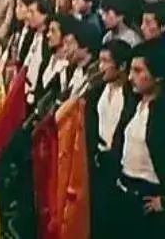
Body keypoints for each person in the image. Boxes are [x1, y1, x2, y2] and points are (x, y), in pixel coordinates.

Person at [112, 40, 165, 238]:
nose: (130, 77)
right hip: (123, 193)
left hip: (148, 199)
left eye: (138, 71)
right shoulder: (133, 104)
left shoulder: (161, 113)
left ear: (157, 75)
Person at [85, 40, 137, 239]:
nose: (101, 67)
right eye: (100, 60)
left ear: (121, 66)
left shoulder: (131, 98)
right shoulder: (97, 91)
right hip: (96, 161)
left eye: (106, 61)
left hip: (115, 165)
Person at [23, 0, 53, 104]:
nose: (27, 16)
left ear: (44, 15)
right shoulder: (31, 35)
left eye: (32, 12)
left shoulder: (48, 42)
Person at [38, 14, 75, 98]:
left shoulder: (69, 66)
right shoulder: (48, 59)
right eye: (48, 31)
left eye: (53, 31)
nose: (48, 35)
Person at [62, 22, 101, 99]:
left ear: (85, 46)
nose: (64, 49)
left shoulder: (95, 75)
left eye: (69, 44)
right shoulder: (70, 70)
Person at [11, 0, 39, 64]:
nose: (17, 9)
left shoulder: (34, 33)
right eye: (16, 5)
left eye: (20, 6)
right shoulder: (19, 27)